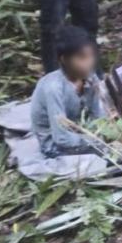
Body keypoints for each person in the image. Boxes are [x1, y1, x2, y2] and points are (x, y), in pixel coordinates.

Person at [30, 26, 103, 157]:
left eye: (91, 56)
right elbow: (61, 138)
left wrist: (103, 132)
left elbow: (97, 115)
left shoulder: (91, 78)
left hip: (81, 133)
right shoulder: (54, 88)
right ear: (64, 59)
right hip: (55, 145)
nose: (89, 62)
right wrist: (95, 141)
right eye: (82, 57)